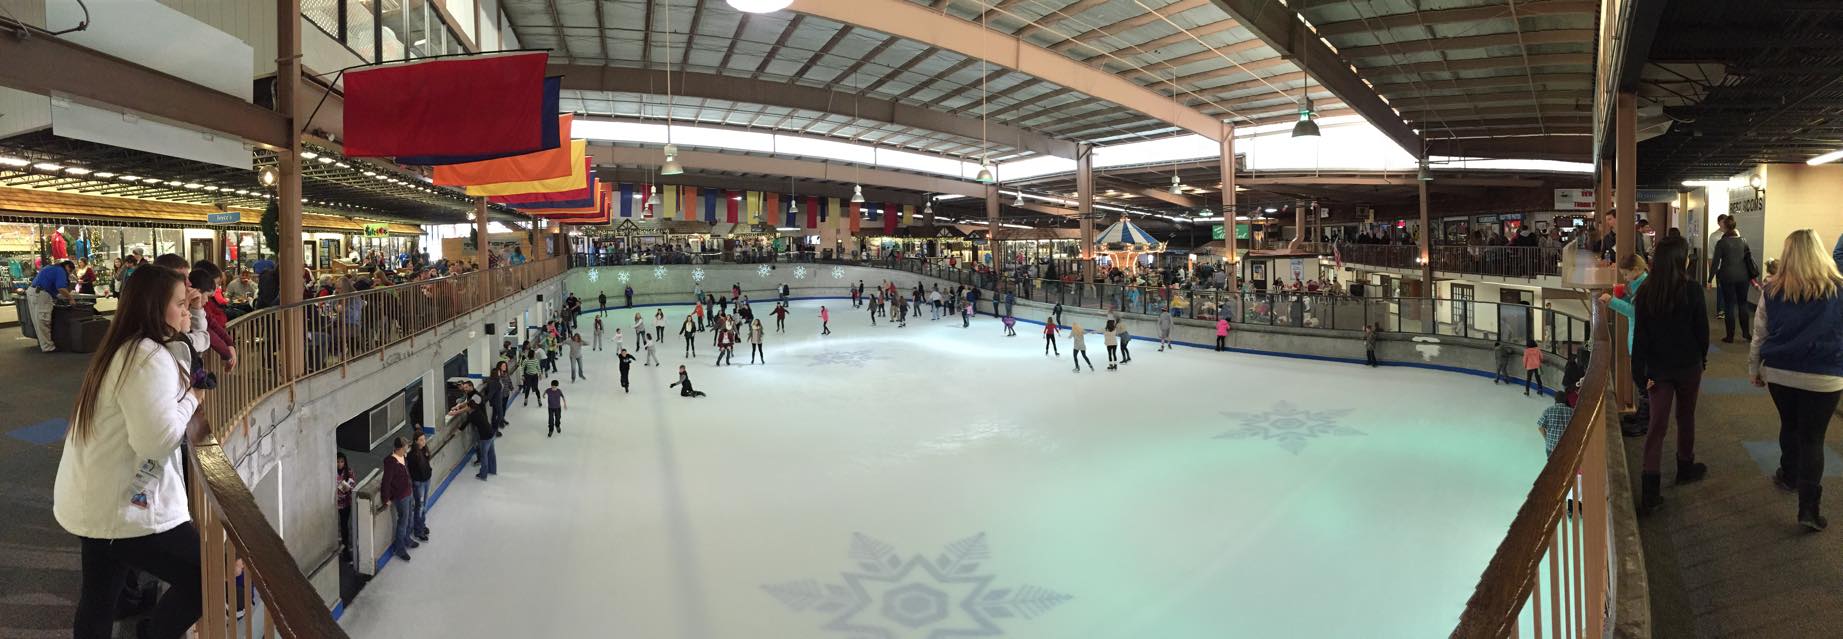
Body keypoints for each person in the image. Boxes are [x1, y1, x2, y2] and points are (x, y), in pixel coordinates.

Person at [54, 264, 208, 639]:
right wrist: (193, 399)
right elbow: (156, 441)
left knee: (98, 600)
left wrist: (191, 317)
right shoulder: (145, 355)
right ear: (156, 308)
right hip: (123, 508)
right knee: (211, 575)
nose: (186, 307)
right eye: (179, 302)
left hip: (97, 500)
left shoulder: (124, 348)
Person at [1748, 229, 1843, 531]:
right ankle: (1808, 510)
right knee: (1813, 439)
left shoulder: (1772, 290)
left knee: (1789, 424)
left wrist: (1754, 369)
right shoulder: (1839, 289)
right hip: (1825, 376)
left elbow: (1759, 334)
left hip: (1781, 372)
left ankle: (1788, 474)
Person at [1631, 236, 1709, 516]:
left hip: (1657, 371)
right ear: (1681, 260)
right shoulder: (1693, 290)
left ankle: (1650, 491)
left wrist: (1640, 377)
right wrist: (1702, 358)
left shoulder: (1646, 293)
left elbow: (1640, 339)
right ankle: (1685, 467)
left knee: (1656, 426)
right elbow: (1702, 332)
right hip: (1688, 367)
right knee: (1685, 417)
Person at [1602, 253, 1652, 437]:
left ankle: (1645, 422)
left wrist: (1612, 302)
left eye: (1625, 274)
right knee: (1641, 381)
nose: (1625, 278)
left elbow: (1636, 313)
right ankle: (1642, 415)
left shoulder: (1644, 288)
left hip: (1642, 342)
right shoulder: (1640, 285)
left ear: (1636, 270)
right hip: (1639, 340)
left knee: (1644, 382)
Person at [1708, 216, 1759, 343]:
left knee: (1729, 305)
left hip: (1727, 276)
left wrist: (1710, 279)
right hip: (1743, 277)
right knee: (1742, 304)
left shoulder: (1721, 243)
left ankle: (1730, 336)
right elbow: (1748, 259)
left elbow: (1715, 263)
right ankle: (1746, 334)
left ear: (1724, 227)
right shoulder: (1743, 241)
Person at [450, 380, 497, 480]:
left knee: (484, 456)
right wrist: (458, 407)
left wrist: (455, 413)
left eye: (467, 387)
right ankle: (493, 470)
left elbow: (466, 416)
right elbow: (468, 404)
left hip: (485, 437)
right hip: (490, 432)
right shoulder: (477, 410)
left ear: (471, 386)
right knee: (491, 453)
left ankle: (483, 475)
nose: (465, 389)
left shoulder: (473, 411)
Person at [28, 259, 74, 352]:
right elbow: (61, 287)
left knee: (38, 321)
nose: (68, 274)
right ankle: (48, 347)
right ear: (68, 267)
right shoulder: (61, 270)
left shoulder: (51, 268)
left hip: (33, 292)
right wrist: (70, 298)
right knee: (44, 320)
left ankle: (43, 344)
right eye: (70, 271)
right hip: (41, 294)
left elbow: (53, 287)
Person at [381, 436, 416, 561]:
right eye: (406, 446)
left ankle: (407, 539)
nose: (408, 448)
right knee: (403, 521)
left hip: (408, 492)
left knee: (409, 517)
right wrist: (386, 499)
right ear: (400, 448)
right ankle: (399, 548)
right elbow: (386, 482)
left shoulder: (403, 457)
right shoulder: (391, 463)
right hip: (401, 496)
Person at [1538, 379, 1575, 458]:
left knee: (1551, 465)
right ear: (1565, 400)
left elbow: (1540, 426)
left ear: (1555, 400)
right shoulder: (1572, 412)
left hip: (1551, 445)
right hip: (1566, 446)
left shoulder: (1548, 410)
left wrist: (1546, 438)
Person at [408, 432, 432, 542]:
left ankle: (422, 523)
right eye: (421, 440)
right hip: (419, 483)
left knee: (424, 504)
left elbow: (427, 462)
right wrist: (418, 479)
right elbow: (412, 471)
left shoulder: (424, 449)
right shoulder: (412, 455)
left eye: (424, 439)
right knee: (420, 506)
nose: (424, 441)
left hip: (426, 480)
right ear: (416, 441)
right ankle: (418, 530)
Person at [336, 453, 356, 562]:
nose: (339, 464)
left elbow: (353, 484)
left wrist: (349, 488)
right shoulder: (331, 472)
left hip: (346, 504)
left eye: (342, 462)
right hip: (335, 504)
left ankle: (345, 548)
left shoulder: (349, 472)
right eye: (337, 461)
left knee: (344, 525)